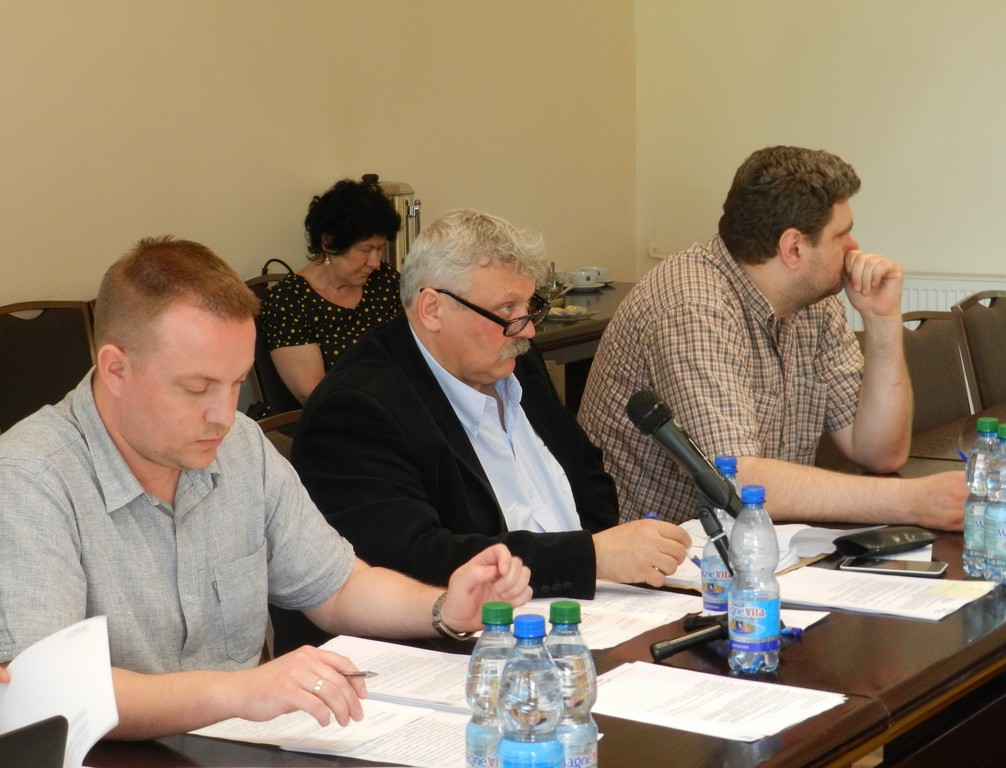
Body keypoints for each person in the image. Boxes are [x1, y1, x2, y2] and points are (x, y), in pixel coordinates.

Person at [0, 237, 531, 741]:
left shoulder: (239, 446)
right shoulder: (29, 478)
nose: (223, 414)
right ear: (116, 369)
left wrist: (442, 609)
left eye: (236, 383)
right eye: (196, 387)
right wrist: (239, 692)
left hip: (235, 745)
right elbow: (52, 692)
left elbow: (337, 587)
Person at [290, 209, 690, 617]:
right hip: (462, 632)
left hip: (589, 609)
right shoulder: (356, 409)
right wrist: (589, 557)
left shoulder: (513, 358)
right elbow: (413, 559)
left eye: (529, 305)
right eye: (506, 308)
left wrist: (599, 566)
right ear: (432, 309)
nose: (527, 329)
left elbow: (587, 473)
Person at [578, 146, 965, 530]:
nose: (854, 248)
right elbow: (737, 483)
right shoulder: (692, 304)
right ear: (793, 247)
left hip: (756, 543)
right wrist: (913, 501)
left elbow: (880, 453)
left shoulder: (814, 302)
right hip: (660, 555)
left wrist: (882, 320)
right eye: (842, 235)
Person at [261, 178, 403, 404]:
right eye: (366, 249)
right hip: (342, 415)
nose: (375, 262)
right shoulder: (289, 301)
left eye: (379, 249)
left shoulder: (385, 282)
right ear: (328, 243)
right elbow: (313, 393)